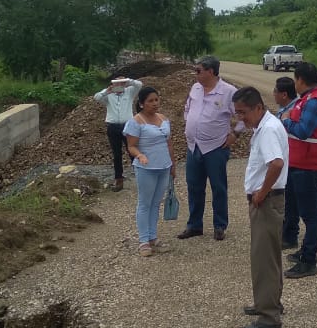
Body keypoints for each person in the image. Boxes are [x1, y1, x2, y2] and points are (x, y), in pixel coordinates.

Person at [232, 85, 289, 328]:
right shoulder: (265, 125)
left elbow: (276, 163)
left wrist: (261, 193)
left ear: (258, 107)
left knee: (263, 259)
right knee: (269, 255)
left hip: (266, 202)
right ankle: (269, 302)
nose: (240, 118)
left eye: (243, 112)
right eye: (237, 113)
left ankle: (269, 316)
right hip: (267, 200)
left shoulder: (267, 130)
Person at [179, 56, 242, 241]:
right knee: (194, 187)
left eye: (198, 70)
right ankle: (194, 225)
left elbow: (243, 115)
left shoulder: (229, 92)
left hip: (215, 148)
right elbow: (187, 108)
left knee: (218, 187)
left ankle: (220, 225)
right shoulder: (195, 88)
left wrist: (235, 134)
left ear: (211, 71)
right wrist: (190, 122)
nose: (195, 74)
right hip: (193, 146)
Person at [280, 62, 317, 278]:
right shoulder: (307, 99)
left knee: (310, 215)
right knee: (295, 207)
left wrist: (285, 122)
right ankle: (301, 248)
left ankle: (309, 260)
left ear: (300, 80)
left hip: (309, 166)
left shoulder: (314, 102)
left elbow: (303, 131)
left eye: (295, 79)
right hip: (299, 163)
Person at [123, 86, 176, 257]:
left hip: (164, 166)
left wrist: (173, 164)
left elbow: (169, 143)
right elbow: (131, 146)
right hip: (146, 168)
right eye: (150, 101)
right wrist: (140, 155)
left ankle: (153, 237)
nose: (154, 104)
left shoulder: (163, 119)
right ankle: (144, 241)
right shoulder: (136, 122)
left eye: (156, 100)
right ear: (141, 104)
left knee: (156, 203)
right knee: (145, 203)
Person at [94, 76, 143, 192]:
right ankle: (118, 179)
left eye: (120, 83)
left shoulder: (129, 92)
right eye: (116, 83)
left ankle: (141, 177)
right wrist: (107, 91)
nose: (119, 85)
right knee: (116, 154)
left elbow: (139, 84)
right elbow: (97, 97)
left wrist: (127, 81)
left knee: (132, 152)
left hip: (128, 126)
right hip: (113, 126)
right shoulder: (108, 95)